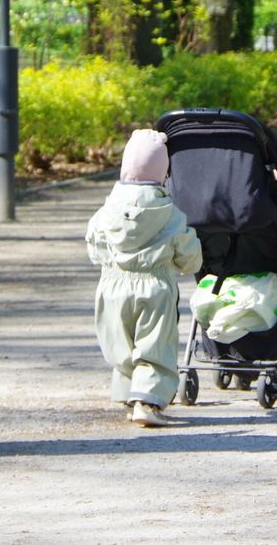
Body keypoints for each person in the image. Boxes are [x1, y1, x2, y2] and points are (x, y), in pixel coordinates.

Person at [87, 129, 203, 428]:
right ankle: (147, 401)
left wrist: (107, 262)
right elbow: (187, 251)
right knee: (154, 344)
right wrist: (190, 265)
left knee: (120, 342)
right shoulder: (170, 213)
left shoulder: (106, 210)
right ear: (163, 174)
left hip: (112, 284)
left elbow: (94, 242)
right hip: (154, 285)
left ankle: (128, 392)